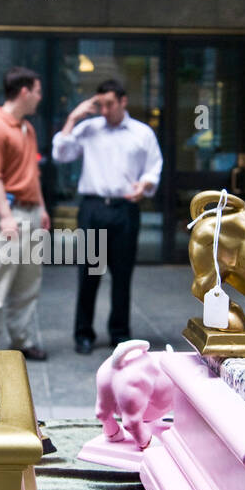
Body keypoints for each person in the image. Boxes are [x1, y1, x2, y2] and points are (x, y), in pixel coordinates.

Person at [52, 78, 162, 354]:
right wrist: (73, 117)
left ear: (123, 101)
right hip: (93, 209)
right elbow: (60, 153)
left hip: (126, 209)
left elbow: (153, 168)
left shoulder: (142, 133)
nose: (104, 110)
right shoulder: (88, 129)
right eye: (100, 104)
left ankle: (120, 334)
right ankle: (83, 334)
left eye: (109, 104)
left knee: (122, 275)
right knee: (89, 274)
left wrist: (145, 185)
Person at [0, 67, 50, 361]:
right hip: (5, 211)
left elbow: (33, 173)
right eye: (38, 92)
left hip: (29, 211)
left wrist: (41, 208)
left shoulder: (27, 129)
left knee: (28, 282)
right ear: (25, 92)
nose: (40, 98)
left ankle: (21, 340)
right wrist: (5, 217)